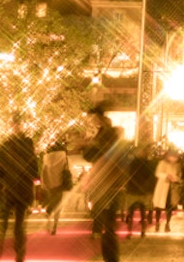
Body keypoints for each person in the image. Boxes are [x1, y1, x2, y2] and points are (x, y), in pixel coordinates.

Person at [0, 115, 36, 262]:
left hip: (12, 188)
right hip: (17, 188)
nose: (16, 128)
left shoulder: (8, 145)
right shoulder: (25, 143)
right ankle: (17, 255)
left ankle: (0, 256)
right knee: (15, 225)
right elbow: (33, 167)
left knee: (8, 224)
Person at [81, 105, 125, 262]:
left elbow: (103, 153)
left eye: (93, 118)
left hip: (110, 183)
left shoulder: (110, 134)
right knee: (106, 223)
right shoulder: (103, 134)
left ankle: (111, 258)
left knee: (109, 224)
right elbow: (90, 156)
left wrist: (89, 145)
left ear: (100, 118)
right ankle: (110, 258)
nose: (91, 121)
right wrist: (87, 145)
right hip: (104, 183)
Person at [38, 140, 71, 235]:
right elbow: (67, 169)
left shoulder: (46, 157)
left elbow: (43, 171)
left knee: (51, 202)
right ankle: (54, 227)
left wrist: (43, 184)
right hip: (59, 185)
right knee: (58, 206)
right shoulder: (64, 157)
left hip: (49, 185)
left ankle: (48, 223)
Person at [151, 148, 180, 232]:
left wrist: (175, 178)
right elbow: (157, 173)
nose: (173, 159)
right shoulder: (162, 163)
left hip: (172, 188)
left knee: (169, 207)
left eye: (175, 157)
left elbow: (179, 175)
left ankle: (167, 224)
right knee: (159, 206)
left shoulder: (177, 165)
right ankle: (157, 222)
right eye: (172, 157)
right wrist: (166, 176)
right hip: (162, 187)